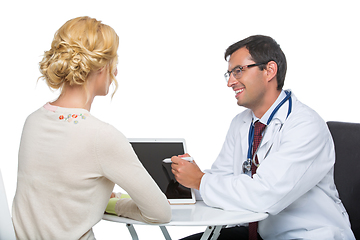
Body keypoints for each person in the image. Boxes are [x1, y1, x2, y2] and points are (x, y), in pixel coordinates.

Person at [171, 35, 355, 240]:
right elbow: (219, 180)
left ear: (269, 70)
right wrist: (182, 185)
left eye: (238, 70)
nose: (231, 82)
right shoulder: (240, 123)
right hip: (261, 234)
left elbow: (266, 194)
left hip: (306, 235)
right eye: (229, 74)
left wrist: (200, 181)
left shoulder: (305, 125)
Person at [12, 16, 171, 240]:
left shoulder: (33, 121)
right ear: (100, 66)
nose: (115, 72)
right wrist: (112, 204)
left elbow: (56, 198)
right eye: (113, 61)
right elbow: (160, 212)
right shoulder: (101, 136)